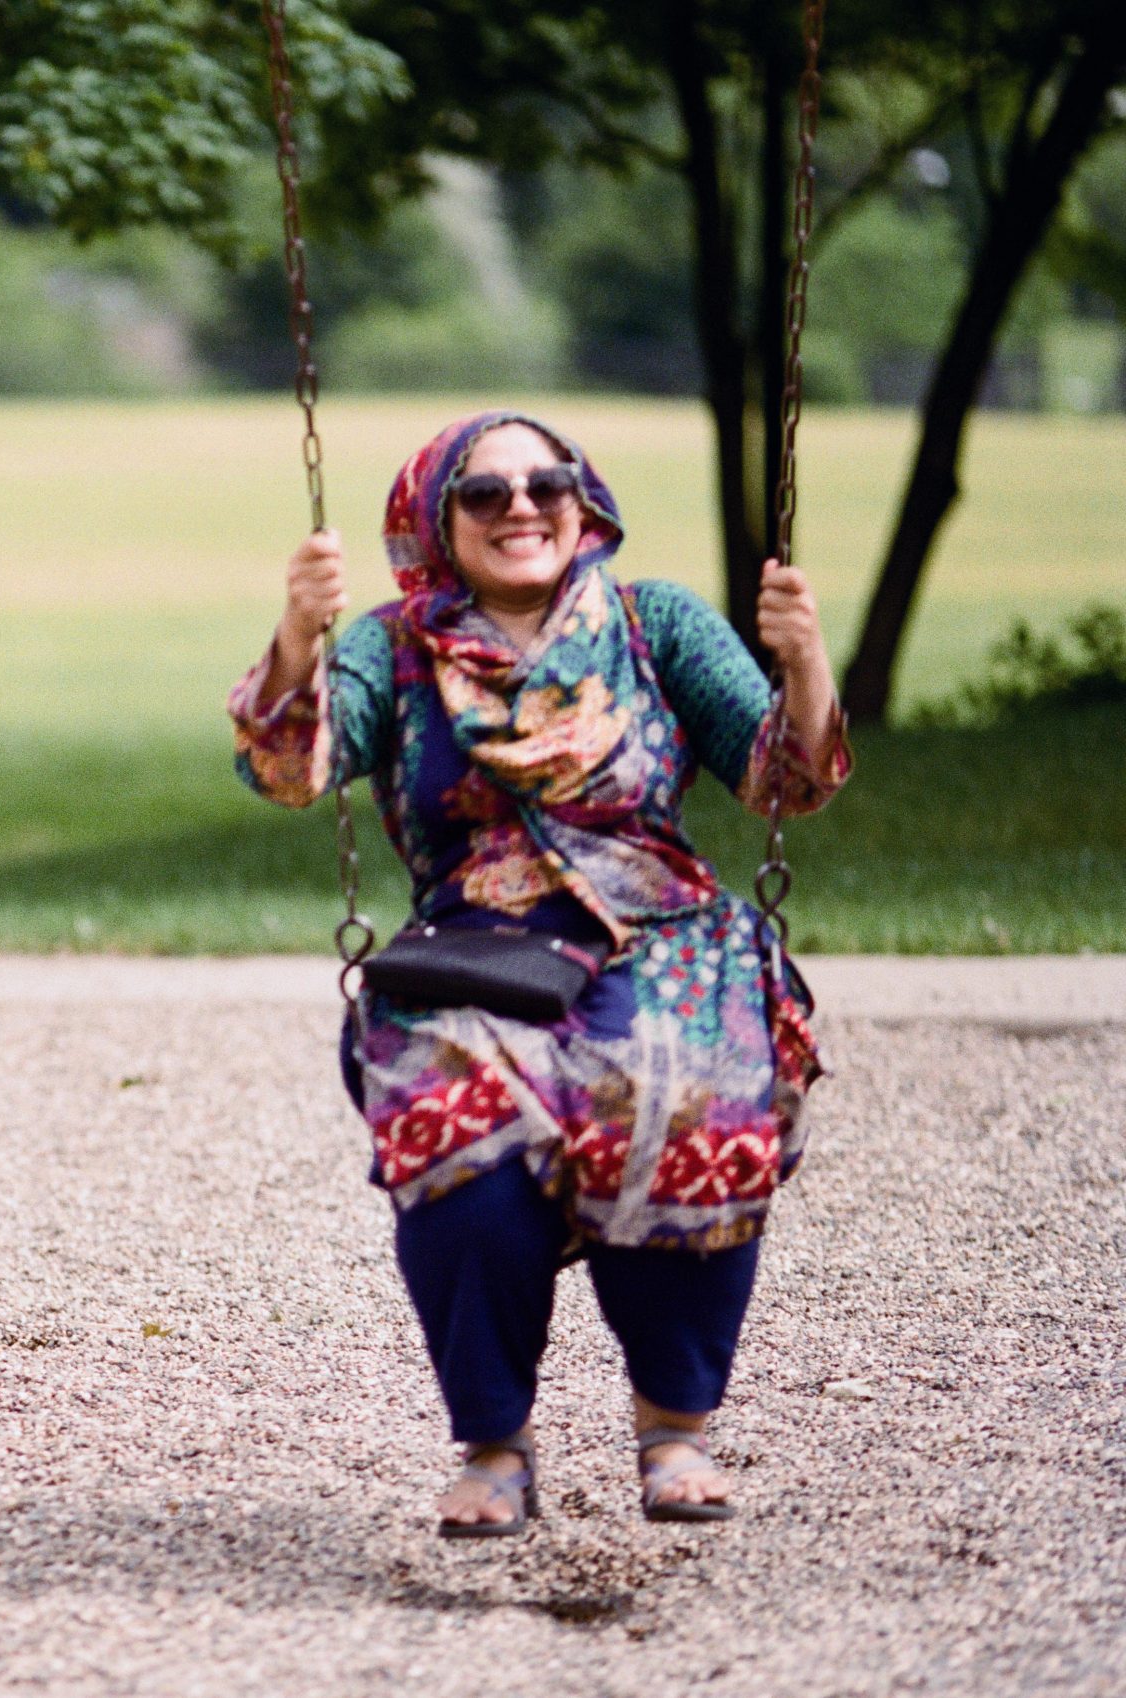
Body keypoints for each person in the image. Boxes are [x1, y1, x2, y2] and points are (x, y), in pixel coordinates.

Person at [231, 411, 849, 1537]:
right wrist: (294, 636)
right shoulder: (393, 643)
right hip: (476, 952)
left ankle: (674, 1429)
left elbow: (786, 782)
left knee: (688, 1104)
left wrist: (803, 663)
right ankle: (493, 1446)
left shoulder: (653, 622)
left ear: (584, 500)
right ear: (435, 518)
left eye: (546, 482)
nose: (521, 506)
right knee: (460, 1143)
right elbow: (288, 771)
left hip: (662, 937)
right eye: (484, 493)